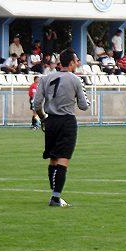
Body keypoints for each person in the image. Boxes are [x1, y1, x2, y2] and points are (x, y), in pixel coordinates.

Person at [33, 48, 90, 207]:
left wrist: (43, 118)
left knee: (53, 158)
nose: (78, 63)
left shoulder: (46, 78)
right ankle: (56, 197)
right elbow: (83, 106)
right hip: (66, 122)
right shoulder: (76, 79)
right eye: (77, 60)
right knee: (63, 158)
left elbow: (37, 104)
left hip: (50, 121)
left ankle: (54, 193)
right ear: (71, 63)